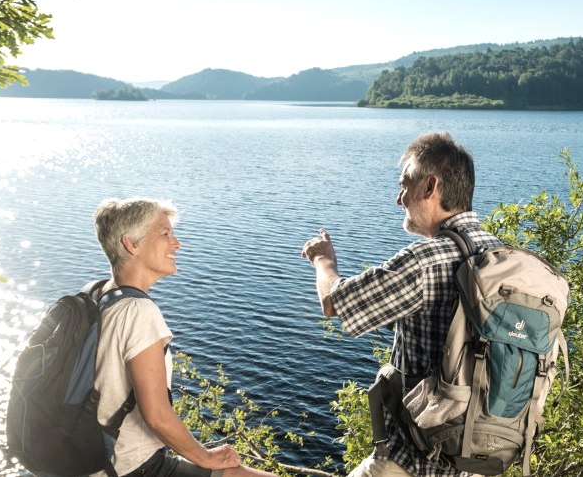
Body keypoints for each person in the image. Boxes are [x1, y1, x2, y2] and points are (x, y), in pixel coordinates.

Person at [300, 132, 503, 477]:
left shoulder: (425, 261)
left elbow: (334, 302)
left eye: (405, 185)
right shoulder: (502, 255)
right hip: (477, 462)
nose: (399, 199)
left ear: (430, 187)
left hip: (412, 462)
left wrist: (323, 260)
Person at [91, 197, 278, 477]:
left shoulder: (98, 294)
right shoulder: (139, 311)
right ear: (132, 244)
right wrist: (206, 457)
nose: (177, 243)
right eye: (165, 234)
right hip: (133, 468)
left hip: (97, 460)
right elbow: (156, 415)